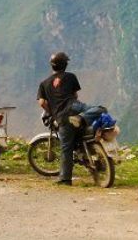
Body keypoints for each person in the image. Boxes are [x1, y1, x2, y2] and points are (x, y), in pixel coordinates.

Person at [37, 51, 104, 186]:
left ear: (52, 65)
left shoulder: (44, 84)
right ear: (65, 65)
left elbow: (42, 103)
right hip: (75, 107)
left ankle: (65, 179)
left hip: (62, 116)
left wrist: (53, 112)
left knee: (66, 149)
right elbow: (75, 95)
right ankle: (81, 118)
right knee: (101, 109)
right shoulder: (71, 76)